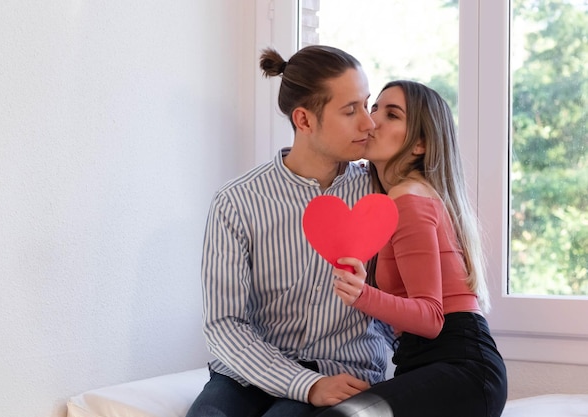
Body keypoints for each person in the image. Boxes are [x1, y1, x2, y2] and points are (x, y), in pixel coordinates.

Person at [186, 45, 393, 417]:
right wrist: (304, 385)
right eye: (351, 110)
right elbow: (223, 323)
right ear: (304, 120)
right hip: (246, 375)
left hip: (342, 370)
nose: (369, 122)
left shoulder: (378, 194)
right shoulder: (237, 201)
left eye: (367, 104)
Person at [317, 80, 508, 417]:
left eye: (392, 115)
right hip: (426, 363)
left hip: (462, 368)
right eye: (374, 108)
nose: (373, 120)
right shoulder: (401, 197)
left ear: (419, 144)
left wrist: (362, 294)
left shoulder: (408, 198)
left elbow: (432, 318)